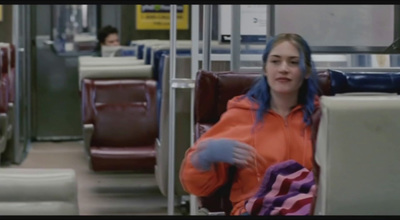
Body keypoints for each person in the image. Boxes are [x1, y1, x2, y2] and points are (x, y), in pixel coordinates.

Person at [179, 33, 320, 215]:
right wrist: (204, 157)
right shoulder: (241, 114)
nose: (284, 68)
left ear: (307, 71)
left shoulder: (323, 117)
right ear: (265, 69)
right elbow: (196, 187)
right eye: (275, 61)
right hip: (254, 209)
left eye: (293, 62)